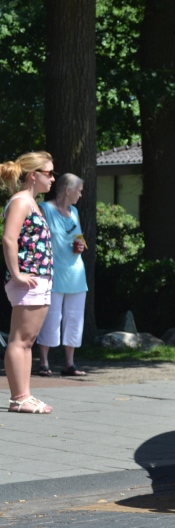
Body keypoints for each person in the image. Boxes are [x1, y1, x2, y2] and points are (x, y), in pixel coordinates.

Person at [0, 151, 56, 414]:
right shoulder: (21, 201)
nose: (53, 178)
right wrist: (17, 273)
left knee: (27, 341)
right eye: (49, 173)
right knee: (20, 340)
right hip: (28, 280)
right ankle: (19, 398)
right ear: (33, 176)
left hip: (38, 279)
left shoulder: (32, 202)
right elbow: (9, 239)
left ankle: (24, 396)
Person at [37, 173, 88, 377]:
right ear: (68, 190)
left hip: (76, 274)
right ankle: (44, 363)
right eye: (79, 190)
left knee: (74, 319)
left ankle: (69, 364)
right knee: (51, 317)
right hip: (54, 273)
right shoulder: (45, 209)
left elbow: (79, 238)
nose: (81, 195)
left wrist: (81, 245)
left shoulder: (74, 211)